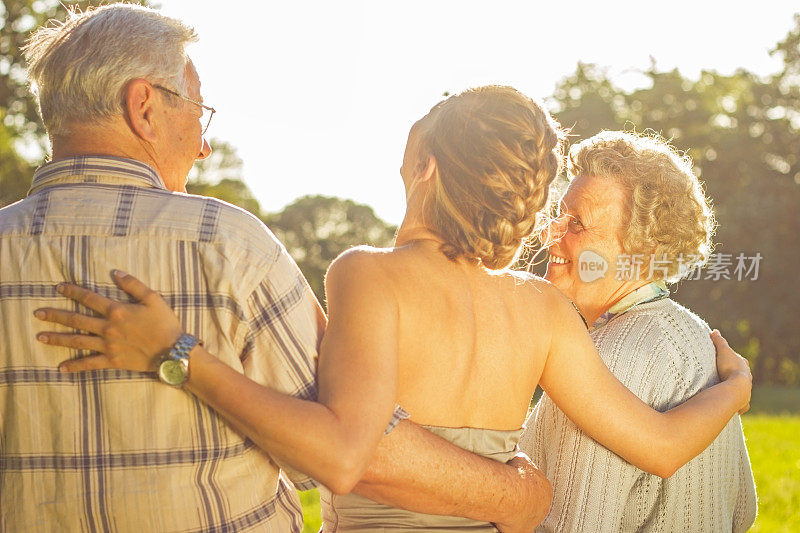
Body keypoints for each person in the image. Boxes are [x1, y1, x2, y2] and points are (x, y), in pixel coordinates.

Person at [36, 85, 752, 531]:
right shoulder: (542, 311)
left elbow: (345, 454)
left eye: (408, 156)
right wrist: (734, 390)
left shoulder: (366, 276)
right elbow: (659, 447)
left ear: (428, 168)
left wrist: (179, 354)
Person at [0, 5, 553, 532]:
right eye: (197, 108)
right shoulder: (228, 246)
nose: (204, 146)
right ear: (144, 107)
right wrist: (519, 496)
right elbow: (354, 448)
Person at [519, 130, 758, 532]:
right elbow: (743, 511)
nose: (549, 235)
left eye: (576, 223)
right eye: (559, 216)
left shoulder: (601, 360)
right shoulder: (697, 335)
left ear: (639, 253)